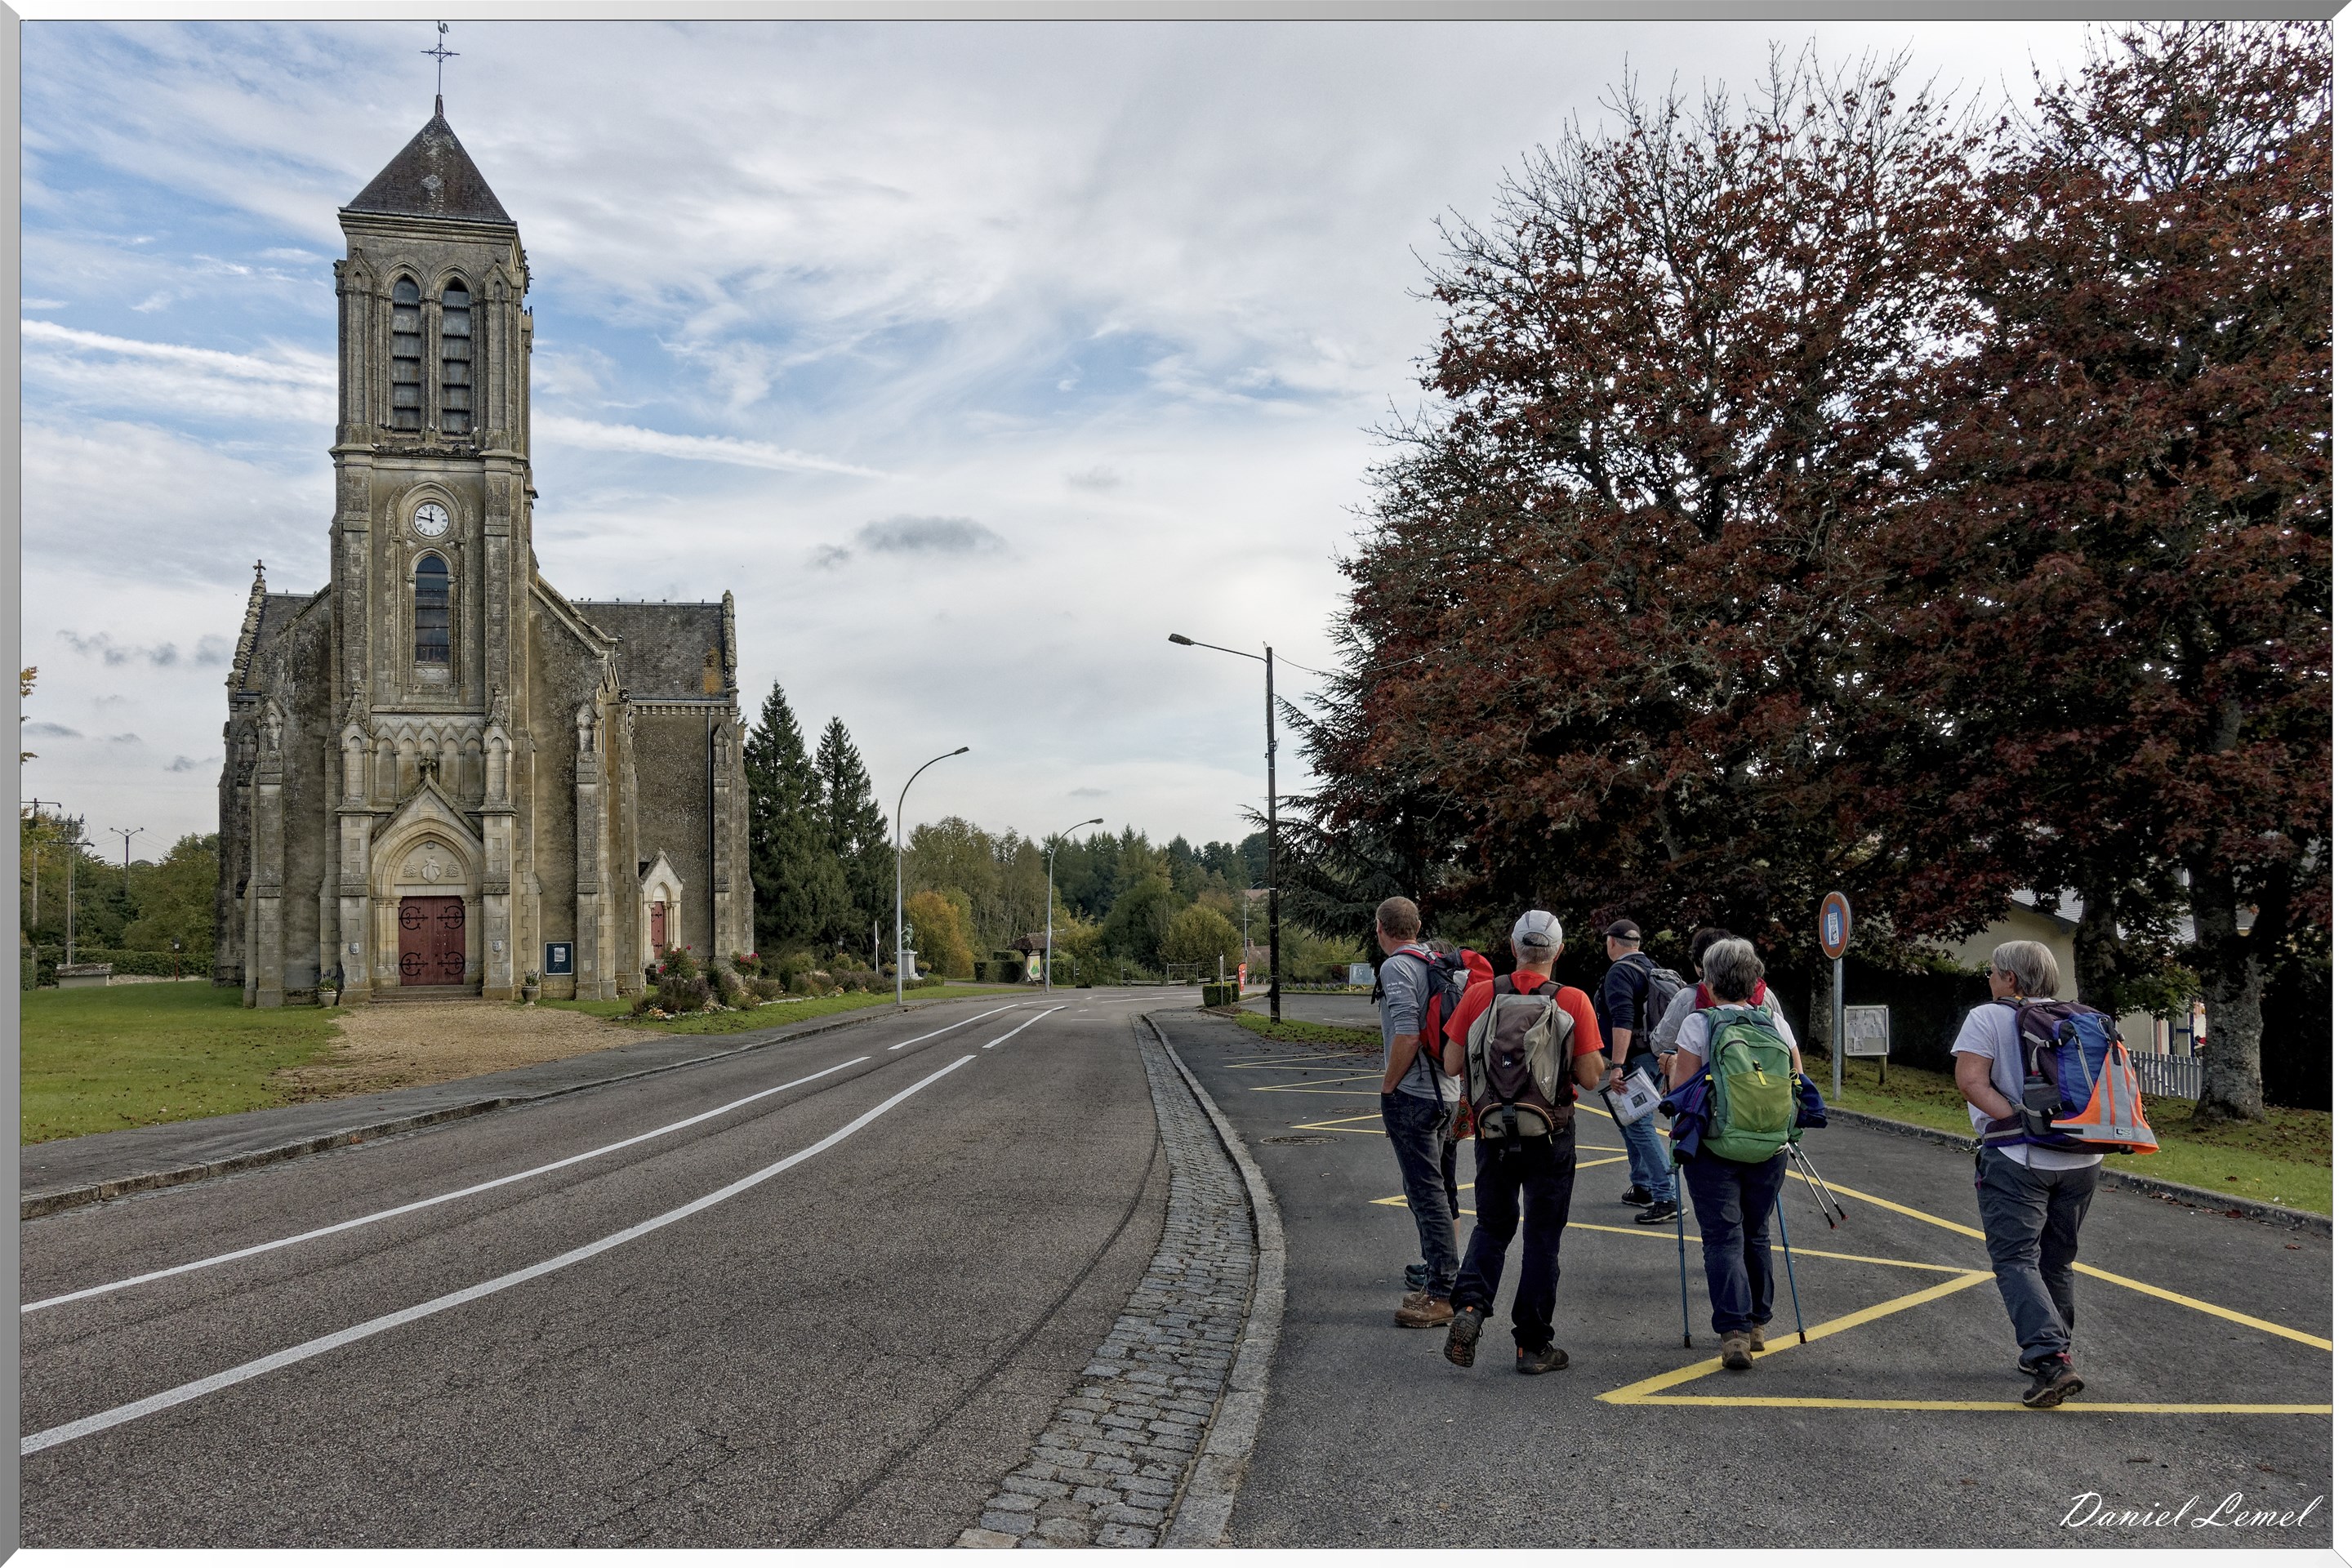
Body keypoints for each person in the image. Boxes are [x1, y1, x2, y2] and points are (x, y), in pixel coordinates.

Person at [1438, 910, 1606, 1375]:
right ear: (1559, 951)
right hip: (1551, 1134)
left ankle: (1469, 1307)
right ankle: (1532, 1346)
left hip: (1492, 1132)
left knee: (1493, 1226)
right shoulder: (1572, 1000)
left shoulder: (1480, 995)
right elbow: (1591, 1077)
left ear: (1513, 948)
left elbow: (1451, 1063)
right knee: (1542, 1238)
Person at [1951, 939, 2098, 1409]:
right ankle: (2054, 1347)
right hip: (2083, 1159)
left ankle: (2051, 1360)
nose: (1990, 979)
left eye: (1993, 972)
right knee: (2057, 1259)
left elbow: (1971, 1082)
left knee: (2015, 1258)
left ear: (2010, 978)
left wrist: (2019, 1123)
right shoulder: (2082, 1018)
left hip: (2020, 1158)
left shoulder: (1987, 1017)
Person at [1666, 937, 1801, 1370]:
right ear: (1754, 980)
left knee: (1723, 1237)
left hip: (1714, 1146)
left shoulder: (1699, 1024)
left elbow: (1682, 1090)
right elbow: (1797, 1081)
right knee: (1757, 1231)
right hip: (1770, 1146)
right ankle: (1759, 1323)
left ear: (1708, 981)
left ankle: (1734, 1334)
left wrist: (1671, 1067)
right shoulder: (1775, 1023)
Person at [1372, 895, 1462, 1330]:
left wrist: (1388, 1087)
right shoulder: (1437, 961)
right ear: (1418, 927)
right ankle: (1440, 1282)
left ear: (1380, 929)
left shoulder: (1397, 967)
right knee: (1437, 1191)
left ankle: (1442, 1293)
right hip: (1449, 1092)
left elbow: (1407, 1036)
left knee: (1425, 1194)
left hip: (1415, 1095)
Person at [1597, 919, 1680, 1224]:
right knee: (1629, 1118)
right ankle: (1643, 1185)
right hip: (1657, 1054)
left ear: (1612, 942)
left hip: (1636, 1058)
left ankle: (1666, 1195)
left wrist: (1617, 1065)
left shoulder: (1620, 972)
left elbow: (1623, 1019)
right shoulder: (1651, 967)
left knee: (1638, 1122)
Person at [1651, 925, 1792, 1067]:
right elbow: (1787, 1051)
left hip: (1710, 1077)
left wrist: (1672, 1065)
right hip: (1763, 1075)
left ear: (1703, 965)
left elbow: (1661, 1046)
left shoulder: (1688, 1002)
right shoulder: (1767, 998)